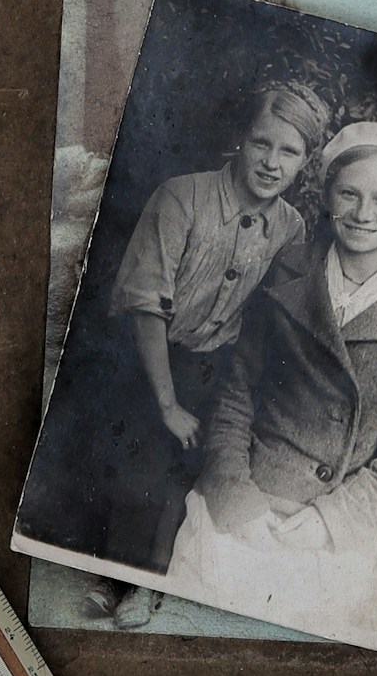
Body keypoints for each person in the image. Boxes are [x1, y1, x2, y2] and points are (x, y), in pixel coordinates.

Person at [168, 121, 377, 644]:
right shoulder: (288, 268)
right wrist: (236, 498)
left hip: (338, 516)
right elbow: (237, 396)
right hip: (252, 489)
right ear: (327, 197)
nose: (363, 214)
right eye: (348, 193)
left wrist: (330, 521)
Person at [89, 79, 330, 625]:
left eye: (289, 151)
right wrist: (168, 403)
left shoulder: (291, 228)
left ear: (305, 163)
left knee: (188, 474)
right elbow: (145, 304)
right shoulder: (183, 196)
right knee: (139, 462)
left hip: (218, 368)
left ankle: (145, 586)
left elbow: (279, 321)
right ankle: (113, 576)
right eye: (261, 143)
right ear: (242, 141)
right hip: (149, 359)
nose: (271, 162)